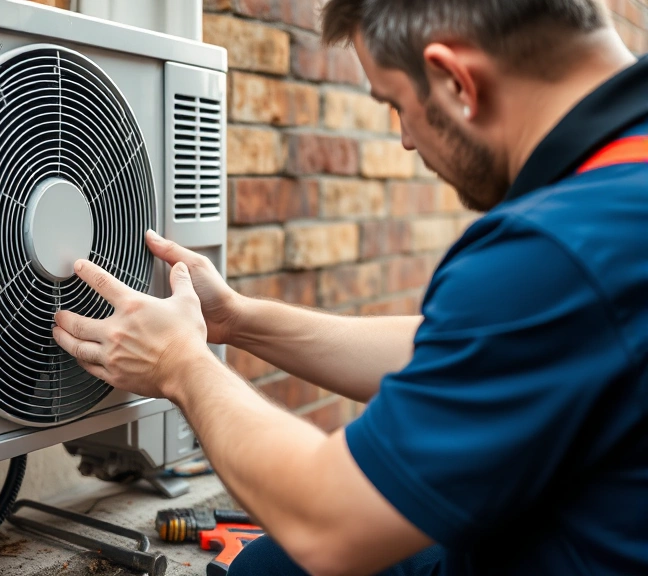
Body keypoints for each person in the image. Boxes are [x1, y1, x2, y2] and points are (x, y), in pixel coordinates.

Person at [52, 0, 648, 574]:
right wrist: (235, 318)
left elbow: (328, 526)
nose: (407, 141)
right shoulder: (617, 189)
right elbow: (478, 349)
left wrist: (179, 365)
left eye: (395, 104)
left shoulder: (558, 246)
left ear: (454, 81)